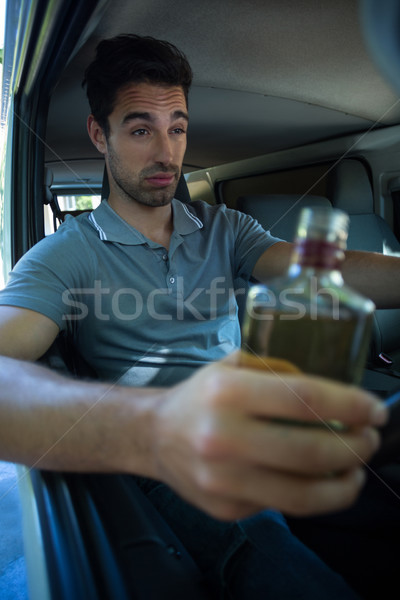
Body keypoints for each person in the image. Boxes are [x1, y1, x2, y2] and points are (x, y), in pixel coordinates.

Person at [0, 34, 398, 598]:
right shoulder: (64, 256)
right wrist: (153, 427)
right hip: (169, 464)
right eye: (141, 130)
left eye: (177, 128)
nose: (166, 153)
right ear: (99, 134)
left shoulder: (225, 228)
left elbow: (320, 268)